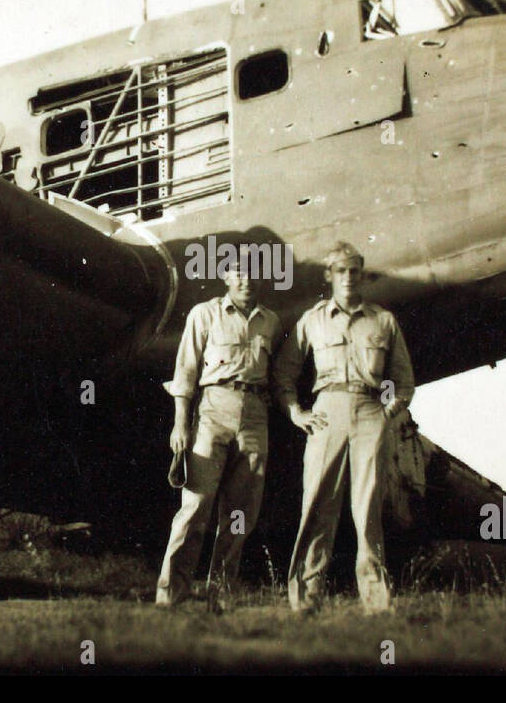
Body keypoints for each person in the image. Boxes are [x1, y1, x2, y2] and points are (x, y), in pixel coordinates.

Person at [273, 242, 415, 613]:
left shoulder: (383, 321)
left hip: (370, 412)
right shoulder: (313, 320)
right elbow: (284, 373)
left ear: (362, 274)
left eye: (354, 271)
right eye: (340, 271)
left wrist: (388, 413)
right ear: (329, 276)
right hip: (327, 411)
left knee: (368, 508)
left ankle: (376, 601)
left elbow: (404, 381)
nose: (348, 278)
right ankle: (306, 599)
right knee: (318, 504)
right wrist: (296, 413)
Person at [156, 262, 281, 611]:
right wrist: (181, 425)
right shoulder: (204, 314)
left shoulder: (270, 321)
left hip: (255, 412)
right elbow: (186, 372)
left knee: (241, 513)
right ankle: (170, 595)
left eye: (252, 272)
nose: (246, 278)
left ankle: (220, 594)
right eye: (237, 272)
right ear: (226, 278)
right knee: (196, 505)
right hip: (213, 407)